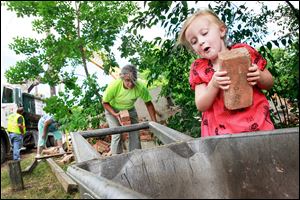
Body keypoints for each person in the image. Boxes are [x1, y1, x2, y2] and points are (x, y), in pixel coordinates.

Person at [178, 9, 274, 137]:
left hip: (258, 128)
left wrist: (259, 76)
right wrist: (213, 85)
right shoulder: (199, 68)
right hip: (222, 138)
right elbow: (201, 105)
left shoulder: (244, 52)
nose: (200, 42)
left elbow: (269, 83)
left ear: (221, 31)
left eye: (204, 33)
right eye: (194, 42)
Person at [102, 64, 157, 155]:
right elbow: (104, 102)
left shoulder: (140, 87)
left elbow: (149, 104)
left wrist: (155, 123)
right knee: (116, 133)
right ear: (122, 78)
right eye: (127, 81)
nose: (130, 84)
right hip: (112, 109)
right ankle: (117, 158)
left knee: (135, 131)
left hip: (130, 109)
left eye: (133, 81)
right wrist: (115, 114)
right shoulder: (114, 85)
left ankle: (136, 156)